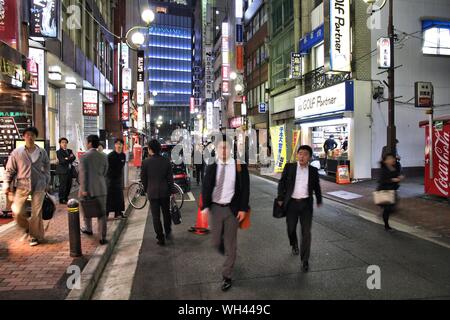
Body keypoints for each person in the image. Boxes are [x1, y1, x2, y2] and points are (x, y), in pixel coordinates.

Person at [201, 136, 250, 292]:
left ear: (231, 149)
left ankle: (227, 276)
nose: (223, 150)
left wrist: (243, 208)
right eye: (220, 147)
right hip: (215, 208)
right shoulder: (212, 165)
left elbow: (245, 189)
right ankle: (224, 247)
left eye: (226, 147)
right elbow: (206, 186)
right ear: (216, 149)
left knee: (231, 245)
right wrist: (204, 207)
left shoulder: (239, 166)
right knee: (216, 242)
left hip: (232, 209)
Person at [277, 145, 322, 272]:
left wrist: (319, 199)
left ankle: (305, 260)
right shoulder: (289, 167)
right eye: (300, 153)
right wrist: (280, 197)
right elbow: (282, 183)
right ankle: (294, 243)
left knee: (306, 232)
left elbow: (316, 186)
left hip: (306, 205)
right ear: (297, 155)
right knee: (291, 228)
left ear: (310, 157)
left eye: (305, 154)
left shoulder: (313, 171)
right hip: (291, 204)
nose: (302, 156)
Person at [2, 127, 50, 246]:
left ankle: (34, 236)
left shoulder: (42, 152)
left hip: (39, 184)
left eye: (32, 135)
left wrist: (46, 181)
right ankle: (28, 228)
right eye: (27, 135)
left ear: (35, 137)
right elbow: (10, 170)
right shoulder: (17, 152)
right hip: (22, 185)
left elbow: (47, 168)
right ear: (24, 137)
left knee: (36, 212)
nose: (30, 137)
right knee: (17, 211)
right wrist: (7, 183)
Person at [141, 139, 174, 246]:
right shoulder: (166, 161)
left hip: (152, 192)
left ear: (150, 150)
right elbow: (170, 179)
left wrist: (146, 189)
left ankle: (160, 237)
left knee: (155, 216)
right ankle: (168, 231)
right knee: (166, 213)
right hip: (165, 192)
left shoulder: (146, 162)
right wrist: (172, 191)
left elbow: (143, 179)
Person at [79, 135, 109, 245]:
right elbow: (105, 171)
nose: (86, 144)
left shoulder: (84, 156)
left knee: (86, 209)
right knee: (102, 213)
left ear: (90, 143)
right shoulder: (104, 156)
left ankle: (88, 228)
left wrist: (84, 189)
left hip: (88, 189)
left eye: (87, 142)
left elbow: (83, 174)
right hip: (101, 188)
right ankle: (102, 237)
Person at [377, 153, 403, 231]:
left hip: (393, 190)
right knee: (388, 209)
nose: (392, 159)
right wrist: (393, 179)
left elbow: (398, 173)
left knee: (392, 207)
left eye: (392, 158)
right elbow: (382, 180)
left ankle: (384, 216)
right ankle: (386, 226)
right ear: (385, 161)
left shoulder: (395, 166)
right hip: (385, 191)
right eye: (390, 158)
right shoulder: (384, 169)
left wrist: (399, 177)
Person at [106, 139, 126, 219]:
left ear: (122, 145)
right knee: (109, 197)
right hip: (110, 179)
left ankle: (118, 213)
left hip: (118, 179)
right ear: (115, 145)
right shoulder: (110, 155)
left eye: (120, 144)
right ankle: (106, 214)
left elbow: (121, 166)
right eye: (117, 144)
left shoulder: (123, 155)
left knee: (119, 197)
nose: (119, 145)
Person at [56, 137, 76, 204]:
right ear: (60, 144)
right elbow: (62, 161)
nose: (64, 144)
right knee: (62, 185)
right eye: (62, 142)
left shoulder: (70, 150)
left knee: (69, 185)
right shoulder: (58, 152)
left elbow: (74, 157)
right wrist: (69, 158)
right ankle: (61, 199)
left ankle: (66, 197)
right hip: (62, 171)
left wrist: (67, 158)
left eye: (65, 142)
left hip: (70, 171)